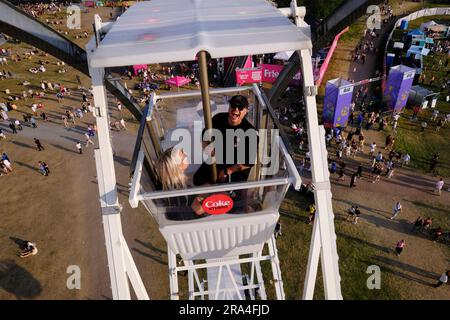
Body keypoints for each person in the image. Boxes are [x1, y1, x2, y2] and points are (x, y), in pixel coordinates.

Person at [193, 95, 257, 186]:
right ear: (229, 106)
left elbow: (249, 162)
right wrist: (207, 147)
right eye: (233, 105)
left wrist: (228, 171)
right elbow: (205, 134)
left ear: (246, 110)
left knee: (232, 192)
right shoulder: (218, 118)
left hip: (235, 168)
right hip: (217, 160)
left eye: (240, 107)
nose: (236, 109)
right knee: (197, 180)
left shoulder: (250, 132)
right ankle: (208, 196)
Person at [155, 147, 206, 218]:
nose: (186, 154)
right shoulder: (179, 192)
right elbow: (185, 216)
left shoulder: (171, 186)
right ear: (177, 167)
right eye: (182, 155)